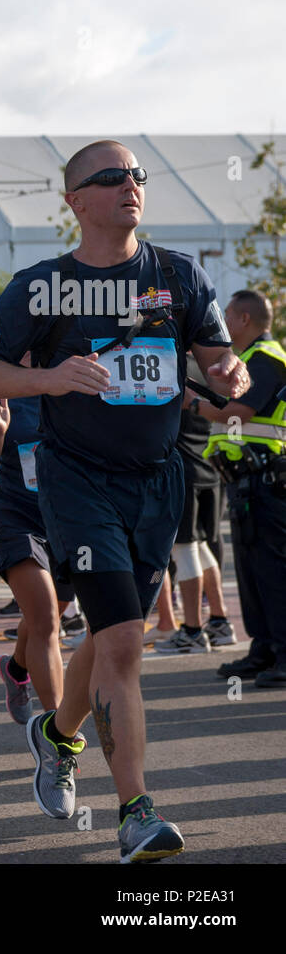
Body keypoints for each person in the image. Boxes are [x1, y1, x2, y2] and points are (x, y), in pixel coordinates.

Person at [0, 140, 249, 862]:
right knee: (124, 638)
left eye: (138, 175)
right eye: (113, 176)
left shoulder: (177, 276)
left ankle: (59, 735)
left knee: (113, 632)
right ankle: (136, 813)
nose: (131, 185)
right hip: (77, 478)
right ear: (77, 201)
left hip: (159, 480)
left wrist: (228, 368)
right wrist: (53, 379)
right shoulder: (41, 286)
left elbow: (213, 354)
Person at [0, 380, 78, 728]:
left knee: (49, 614)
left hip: (68, 521)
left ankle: (16, 669)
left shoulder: (76, 389)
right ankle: (57, 736)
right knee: (45, 619)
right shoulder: (2, 392)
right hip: (18, 519)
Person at [195, 289, 286, 687]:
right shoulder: (247, 360)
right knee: (252, 572)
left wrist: (190, 403)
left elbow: (238, 411)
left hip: (268, 480)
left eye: (226, 316)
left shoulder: (267, 359)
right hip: (248, 482)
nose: (222, 324)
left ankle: (283, 653)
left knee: (273, 571)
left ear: (244, 319)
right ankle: (263, 649)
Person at [153, 368, 236, 653]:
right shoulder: (208, 370)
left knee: (184, 549)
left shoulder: (170, 367)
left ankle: (192, 630)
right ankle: (220, 620)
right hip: (208, 468)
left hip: (183, 472)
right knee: (201, 548)